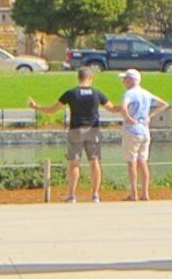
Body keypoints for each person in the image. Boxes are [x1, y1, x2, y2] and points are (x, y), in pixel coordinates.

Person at [57, 62, 112, 203]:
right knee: (94, 161)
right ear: (91, 78)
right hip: (93, 130)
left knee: (74, 163)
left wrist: (36, 107)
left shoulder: (71, 93)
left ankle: (72, 195)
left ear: (78, 77)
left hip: (76, 129)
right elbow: (112, 108)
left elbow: (53, 109)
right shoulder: (96, 93)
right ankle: (95, 195)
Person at [120, 71, 162, 202]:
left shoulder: (129, 93)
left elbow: (123, 106)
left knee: (131, 161)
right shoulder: (146, 93)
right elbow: (164, 104)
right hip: (145, 130)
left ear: (131, 80)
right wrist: (150, 116)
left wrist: (127, 117)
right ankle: (145, 192)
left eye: (125, 79)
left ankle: (134, 193)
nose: (123, 82)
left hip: (132, 130)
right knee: (143, 161)